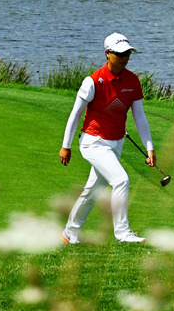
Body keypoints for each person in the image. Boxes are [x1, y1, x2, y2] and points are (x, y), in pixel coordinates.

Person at [58, 32, 157, 244]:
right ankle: (123, 233)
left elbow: (139, 116)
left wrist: (149, 147)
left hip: (116, 143)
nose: (125, 57)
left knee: (93, 190)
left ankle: (69, 234)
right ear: (107, 53)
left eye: (128, 53)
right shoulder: (93, 81)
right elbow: (75, 114)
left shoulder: (132, 80)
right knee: (121, 180)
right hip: (93, 142)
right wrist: (66, 146)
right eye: (120, 53)